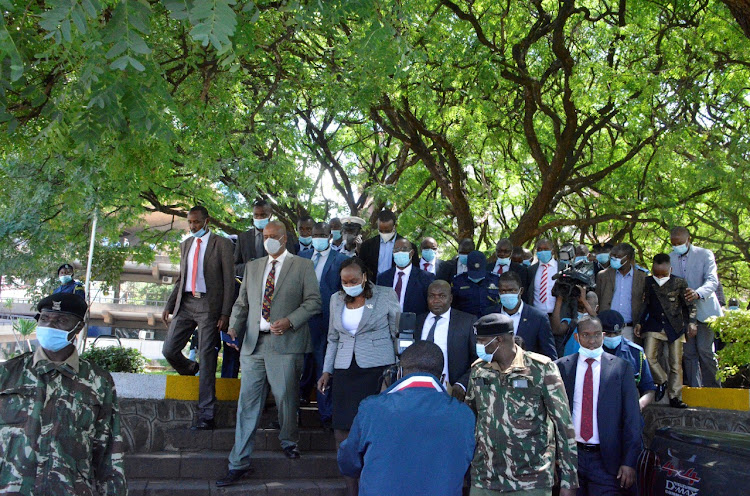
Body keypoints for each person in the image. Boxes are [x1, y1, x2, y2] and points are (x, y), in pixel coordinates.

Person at [217, 221, 321, 487]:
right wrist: (233, 328)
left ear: (285, 239)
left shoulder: (303, 266)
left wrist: (290, 320)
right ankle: (238, 462)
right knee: (247, 405)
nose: (268, 240)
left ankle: (289, 439)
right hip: (253, 344)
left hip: (286, 343)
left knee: (286, 398)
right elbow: (242, 302)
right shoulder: (253, 267)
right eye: (265, 236)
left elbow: (313, 302)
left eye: (273, 236)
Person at [0, 293, 127, 495]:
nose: (50, 326)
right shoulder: (7, 374)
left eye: (61, 320)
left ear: (78, 328)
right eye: (44, 318)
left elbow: (109, 454)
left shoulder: (98, 381)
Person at [338, 341, 475, 496]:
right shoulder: (463, 414)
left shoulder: (371, 408)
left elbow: (348, 461)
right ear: (443, 378)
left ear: (399, 373)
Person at [467, 313, 578, 495]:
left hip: (531, 479)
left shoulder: (541, 369)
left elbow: (563, 425)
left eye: (481, 340)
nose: (478, 346)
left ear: (499, 340)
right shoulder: (479, 370)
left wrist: (569, 480)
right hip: (485, 478)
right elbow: (470, 418)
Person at [317, 257, 400, 496]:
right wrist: (327, 370)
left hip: (378, 371)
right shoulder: (336, 299)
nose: (349, 284)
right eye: (344, 281)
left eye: (354, 280)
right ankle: (351, 487)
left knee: (376, 429)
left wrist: (397, 371)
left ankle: (374, 485)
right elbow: (333, 338)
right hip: (344, 371)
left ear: (365, 277)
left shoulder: (385, 295)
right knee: (342, 430)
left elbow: (398, 333)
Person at [162, 205, 235, 431]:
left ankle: (207, 413)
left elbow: (229, 281)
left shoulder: (222, 244)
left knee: (207, 355)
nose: (193, 226)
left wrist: (225, 313)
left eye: (196, 222)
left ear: (206, 221)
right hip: (185, 303)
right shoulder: (186, 244)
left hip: (208, 305)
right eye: (190, 222)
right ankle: (191, 369)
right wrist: (169, 304)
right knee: (169, 349)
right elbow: (181, 277)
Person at [555, 318, 642, 495]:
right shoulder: (562, 367)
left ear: (602, 336)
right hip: (571, 458)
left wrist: (629, 462)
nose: (592, 341)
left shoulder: (620, 368)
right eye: (586, 335)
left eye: (596, 335)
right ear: (577, 337)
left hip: (606, 461)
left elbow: (632, 418)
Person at [297, 222, 349, 428]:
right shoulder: (301, 258)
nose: (317, 237)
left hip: (327, 322)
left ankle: (326, 414)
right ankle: (292, 412)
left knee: (324, 367)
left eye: (322, 234)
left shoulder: (341, 260)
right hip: (301, 321)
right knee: (298, 366)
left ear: (330, 236)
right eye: (315, 234)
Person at [634, 253, 697, 408]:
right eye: (657, 273)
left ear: (670, 269)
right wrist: (640, 323)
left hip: (675, 326)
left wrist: (692, 322)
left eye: (663, 274)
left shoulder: (679, 282)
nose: (660, 277)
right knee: (648, 357)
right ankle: (662, 380)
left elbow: (689, 306)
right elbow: (645, 304)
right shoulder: (648, 282)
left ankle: (676, 396)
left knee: (675, 364)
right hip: (654, 325)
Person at [669, 226, 723, 388]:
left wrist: (698, 293)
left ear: (688, 239)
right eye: (673, 243)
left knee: (705, 350)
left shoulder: (705, 254)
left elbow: (712, 281)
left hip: (706, 311)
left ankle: (714, 390)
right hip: (683, 314)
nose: (677, 245)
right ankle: (695, 389)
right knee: (689, 353)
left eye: (680, 242)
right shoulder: (670, 258)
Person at [415, 280, 478, 399]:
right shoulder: (417, 322)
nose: (436, 300)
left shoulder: (467, 322)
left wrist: (462, 384)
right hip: (418, 392)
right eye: (432, 296)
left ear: (450, 298)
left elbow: (478, 359)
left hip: (452, 393)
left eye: (442, 296)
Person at [488, 271, 557, 359]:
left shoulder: (538, 318)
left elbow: (549, 355)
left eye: (511, 290)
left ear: (521, 291)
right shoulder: (489, 316)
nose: (507, 294)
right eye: (503, 291)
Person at [598, 310, 656, 411]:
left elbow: (649, 389)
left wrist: (638, 405)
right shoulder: (591, 352)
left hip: (627, 413)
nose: (612, 337)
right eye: (608, 334)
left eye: (617, 333)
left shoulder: (636, 353)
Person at [595, 243, 648, 342]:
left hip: (629, 329)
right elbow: (597, 300)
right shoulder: (603, 276)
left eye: (617, 257)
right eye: (612, 256)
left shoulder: (642, 277)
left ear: (627, 258)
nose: (614, 259)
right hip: (606, 329)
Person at [233, 199, 298, 277]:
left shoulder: (284, 236)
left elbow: (292, 263)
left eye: (263, 215)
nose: (259, 218)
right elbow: (235, 267)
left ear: (270, 215)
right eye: (256, 215)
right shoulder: (243, 238)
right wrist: (249, 266)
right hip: (252, 285)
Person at [376, 238, 435, 314]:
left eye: (404, 249)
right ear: (393, 252)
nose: (400, 252)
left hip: (414, 323)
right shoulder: (383, 278)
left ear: (412, 253)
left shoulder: (426, 278)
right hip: (387, 323)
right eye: (396, 249)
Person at [358, 209, 418, 279]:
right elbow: (362, 268)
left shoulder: (409, 247)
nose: (384, 233)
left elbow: (414, 272)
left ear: (395, 226)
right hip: (373, 286)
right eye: (381, 230)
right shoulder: (367, 245)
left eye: (387, 231)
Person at [451, 251, 501, 318]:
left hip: (491, 321)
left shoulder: (496, 280)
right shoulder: (457, 281)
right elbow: (453, 306)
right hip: (465, 321)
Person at [553, 289, 599, 357]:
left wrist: (584, 300)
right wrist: (559, 300)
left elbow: (595, 319)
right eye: (581, 308)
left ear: (597, 308)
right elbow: (556, 329)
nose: (583, 312)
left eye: (587, 308)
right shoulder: (572, 323)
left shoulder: (599, 325)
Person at [527, 238, 558, 311]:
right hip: (537, 313)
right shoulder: (531, 270)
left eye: (546, 249)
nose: (542, 252)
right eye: (539, 249)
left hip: (557, 315)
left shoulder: (561, 267)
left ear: (552, 251)